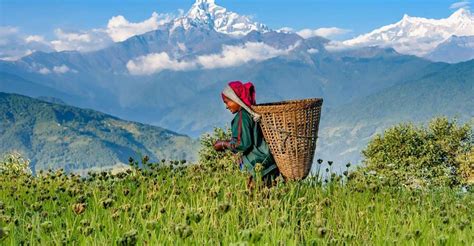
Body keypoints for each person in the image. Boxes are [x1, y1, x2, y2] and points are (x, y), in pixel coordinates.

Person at [213, 81, 280, 190]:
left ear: (236, 99)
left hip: (257, 165)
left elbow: (243, 144)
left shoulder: (242, 117)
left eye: (227, 102)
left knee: (255, 198)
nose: (226, 106)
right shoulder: (251, 113)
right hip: (268, 163)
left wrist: (223, 144)